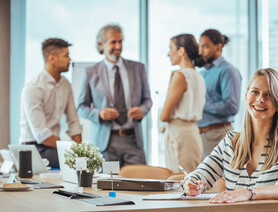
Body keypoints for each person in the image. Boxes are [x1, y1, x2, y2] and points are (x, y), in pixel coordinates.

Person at [183, 68, 278, 212]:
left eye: (269, 95)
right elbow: (199, 176)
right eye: (255, 92)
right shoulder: (230, 141)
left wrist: (247, 192)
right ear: (246, 96)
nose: (260, 99)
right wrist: (190, 184)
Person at [77, 24, 152, 166]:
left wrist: (142, 110)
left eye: (121, 41)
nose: (118, 46)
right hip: (106, 143)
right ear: (101, 44)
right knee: (108, 185)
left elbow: (147, 100)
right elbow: (81, 107)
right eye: (113, 42)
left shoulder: (138, 68)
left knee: (139, 183)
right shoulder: (90, 72)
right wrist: (99, 114)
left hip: (133, 140)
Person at [19, 38, 82, 168]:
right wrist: (71, 150)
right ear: (52, 59)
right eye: (66, 56)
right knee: (70, 162)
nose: (69, 60)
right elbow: (42, 134)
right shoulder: (34, 87)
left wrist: (80, 151)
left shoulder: (65, 84)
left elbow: (73, 121)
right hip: (33, 148)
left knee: (88, 161)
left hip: (55, 146)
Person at [160, 34, 206, 173]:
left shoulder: (181, 76)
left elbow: (164, 116)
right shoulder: (198, 75)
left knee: (179, 181)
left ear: (181, 51)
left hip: (179, 136)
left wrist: (171, 85)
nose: (168, 54)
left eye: (171, 48)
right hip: (192, 134)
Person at [198, 29, 242, 159]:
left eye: (205, 46)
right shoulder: (202, 72)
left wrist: (201, 104)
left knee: (219, 178)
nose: (200, 51)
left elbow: (232, 106)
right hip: (202, 135)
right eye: (200, 47)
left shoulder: (228, 71)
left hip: (218, 135)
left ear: (218, 47)